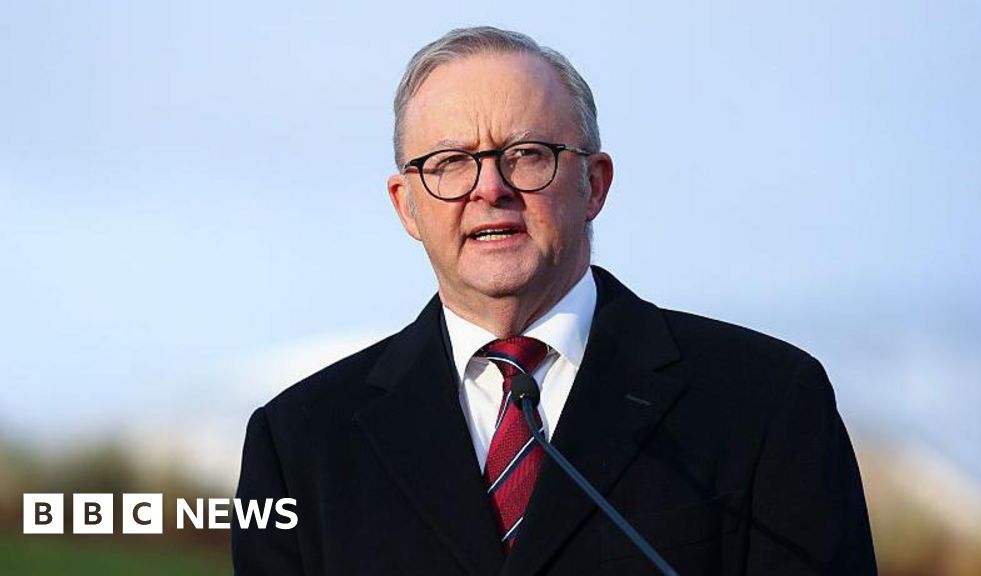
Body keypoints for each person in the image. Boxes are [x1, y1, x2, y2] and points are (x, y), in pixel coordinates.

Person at [231, 26, 877, 575]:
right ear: (406, 205)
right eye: (450, 162)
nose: (490, 188)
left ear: (594, 184)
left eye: (527, 155)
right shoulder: (298, 444)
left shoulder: (767, 402)